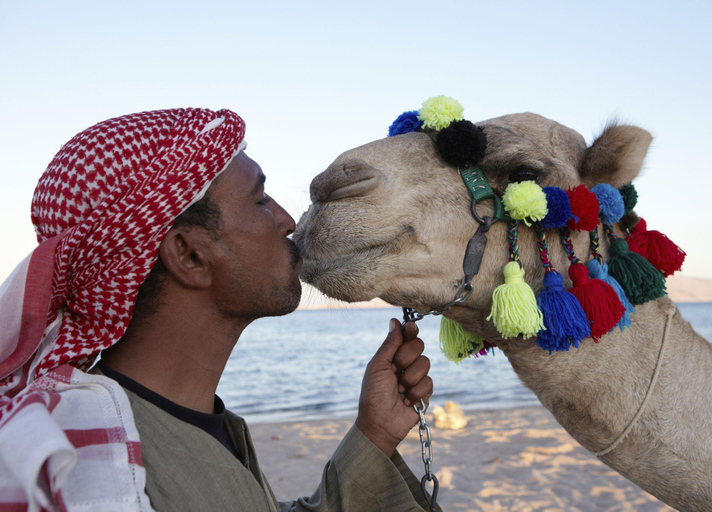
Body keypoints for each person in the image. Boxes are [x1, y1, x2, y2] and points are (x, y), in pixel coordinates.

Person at [0, 108, 437, 511]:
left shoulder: (186, 427)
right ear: (190, 257)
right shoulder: (98, 472)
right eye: (260, 200)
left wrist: (374, 434)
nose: (287, 219)